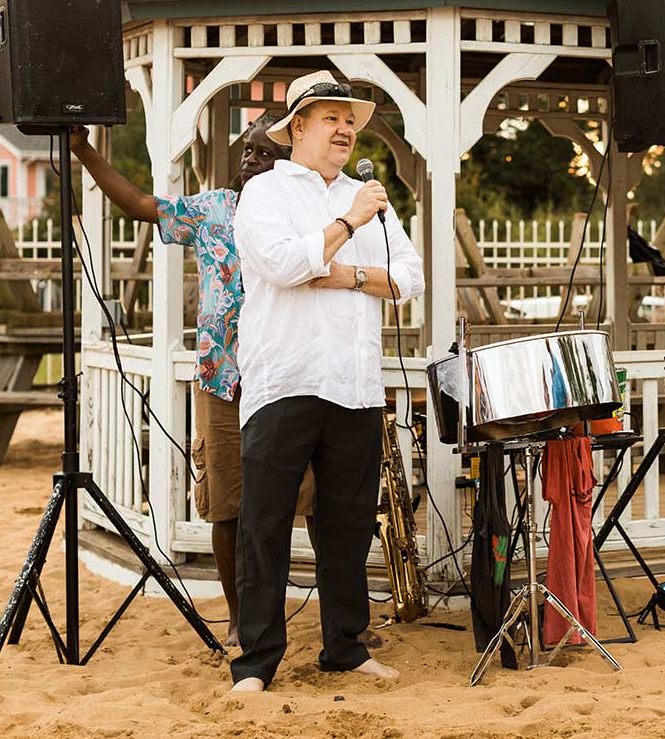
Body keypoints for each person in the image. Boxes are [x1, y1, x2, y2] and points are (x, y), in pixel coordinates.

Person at [69, 117, 317, 648]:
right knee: (227, 499)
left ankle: (337, 616)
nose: (247, 160)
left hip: (291, 377)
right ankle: (238, 616)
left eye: (261, 152)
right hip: (223, 381)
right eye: (245, 150)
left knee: (315, 498)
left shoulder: (308, 213)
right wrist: (84, 152)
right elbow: (141, 205)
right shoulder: (215, 209)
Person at [229, 71, 424, 692]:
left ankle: (345, 647)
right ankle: (255, 664)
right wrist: (345, 224)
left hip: (355, 384)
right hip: (284, 379)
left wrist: (344, 274)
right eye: (330, 118)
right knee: (265, 527)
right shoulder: (265, 193)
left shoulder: (369, 194)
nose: (344, 129)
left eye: (350, 119)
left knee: (347, 525)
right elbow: (283, 264)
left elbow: (409, 279)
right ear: (298, 130)